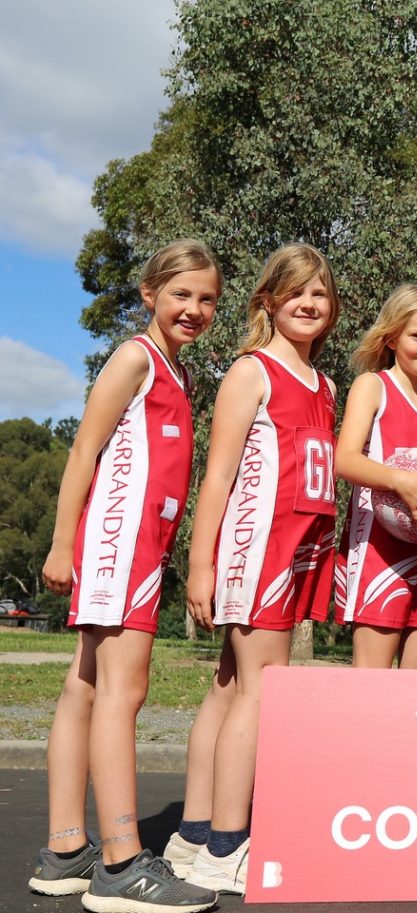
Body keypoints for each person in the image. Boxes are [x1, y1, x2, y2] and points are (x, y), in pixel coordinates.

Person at [30, 240, 221, 913]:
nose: (193, 308)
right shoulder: (135, 358)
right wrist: (62, 542)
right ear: (149, 294)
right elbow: (85, 445)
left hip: (140, 547)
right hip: (119, 543)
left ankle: (64, 849)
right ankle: (119, 863)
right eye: (181, 294)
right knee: (122, 690)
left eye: (205, 298)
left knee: (84, 686)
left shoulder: (179, 374)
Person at [162, 243, 340, 895]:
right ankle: (228, 844)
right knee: (260, 687)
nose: (309, 302)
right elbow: (219, 477)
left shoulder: (324, 384)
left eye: (320, 293)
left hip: (299, 549)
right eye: (295, 291)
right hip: (256, 546)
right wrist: (201, 563)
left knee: (232, 684)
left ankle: (196, 832)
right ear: (267, 300)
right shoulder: (252, 371)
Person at [334, 284, 417, 669]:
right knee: (372, 689)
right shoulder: (372, 387)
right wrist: (401, 482)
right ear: (392, 337)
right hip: (378, 551)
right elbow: (344, 461)